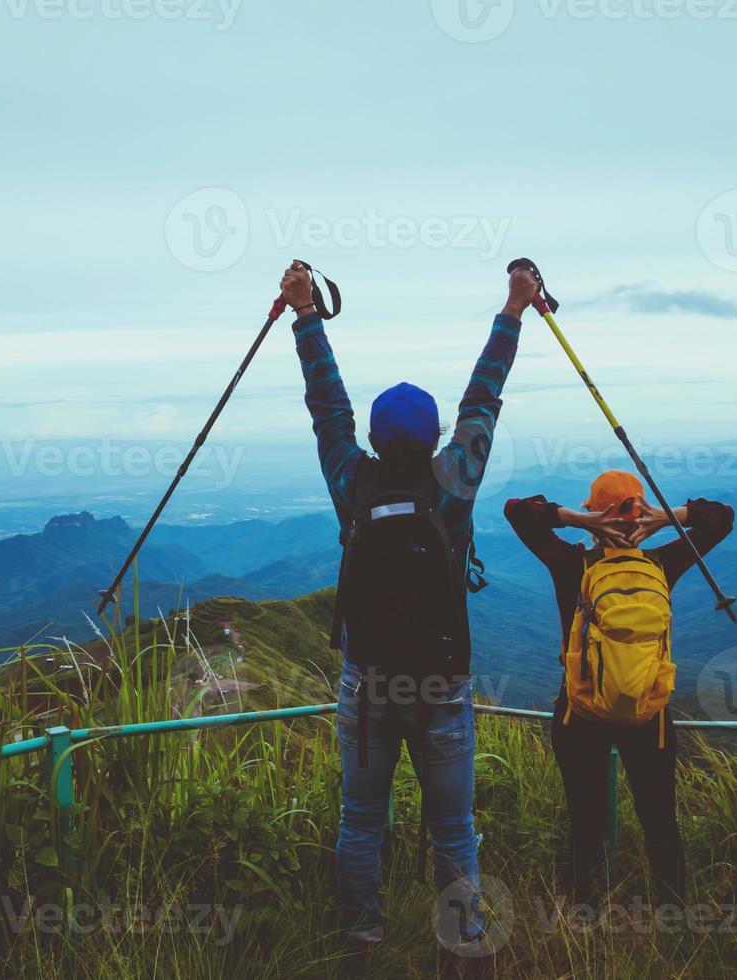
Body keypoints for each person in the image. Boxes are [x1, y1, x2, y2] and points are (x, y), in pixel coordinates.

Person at [281, 259, 535, 962]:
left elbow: (325, 403)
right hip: (441, 682)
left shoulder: (350, 480)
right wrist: (513, 308)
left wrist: (306, 313)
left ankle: (361, 943)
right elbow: (485, 397)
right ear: (431, 437)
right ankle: (464, 948)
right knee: (454, 828)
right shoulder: (454, 481)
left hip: (366, 681)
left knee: (361, 818)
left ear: (374, 434)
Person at [504, 470, 734, 907]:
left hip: (580, 713)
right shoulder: (663, 563)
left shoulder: (571, 563)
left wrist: (575, 519)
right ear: (641, 512)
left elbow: (517, 511)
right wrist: (672, 516)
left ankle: (583, 912)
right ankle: (673, 914)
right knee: (661, 820)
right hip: (649, 715)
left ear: (594, 511)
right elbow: (722, 519)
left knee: (585, 821)